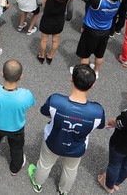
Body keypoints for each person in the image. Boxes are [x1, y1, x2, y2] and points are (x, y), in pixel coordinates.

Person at [28, 64, 105, 194]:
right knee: (70, 170)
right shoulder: (97, 111)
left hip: (53, 141)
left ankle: (38, 183)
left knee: (45, 164)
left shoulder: (55, 100)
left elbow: (44, 112)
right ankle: (63, 191)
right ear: (92, 85)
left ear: (71, 78)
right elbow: (100, 126)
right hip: (77, 147)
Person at [0, 59, 34, 174]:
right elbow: (31, 103)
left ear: (2, 73)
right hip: (16, 128)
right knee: (17, 148)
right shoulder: (26, 95)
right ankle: (15, 168)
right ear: (20, 77)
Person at [77, 0, 124, 79]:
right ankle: (96, 71)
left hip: (91, 31)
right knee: (99, 55)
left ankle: (82, 74)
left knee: (85, 55)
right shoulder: (118, 1)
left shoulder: (98, 1)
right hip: (105, 32)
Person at [38, 0, 72, 64]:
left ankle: (41, 55)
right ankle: (50, 56)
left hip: (47, 18)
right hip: (59, 19)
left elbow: (44, 6)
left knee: (44, 40)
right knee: (55, 40)